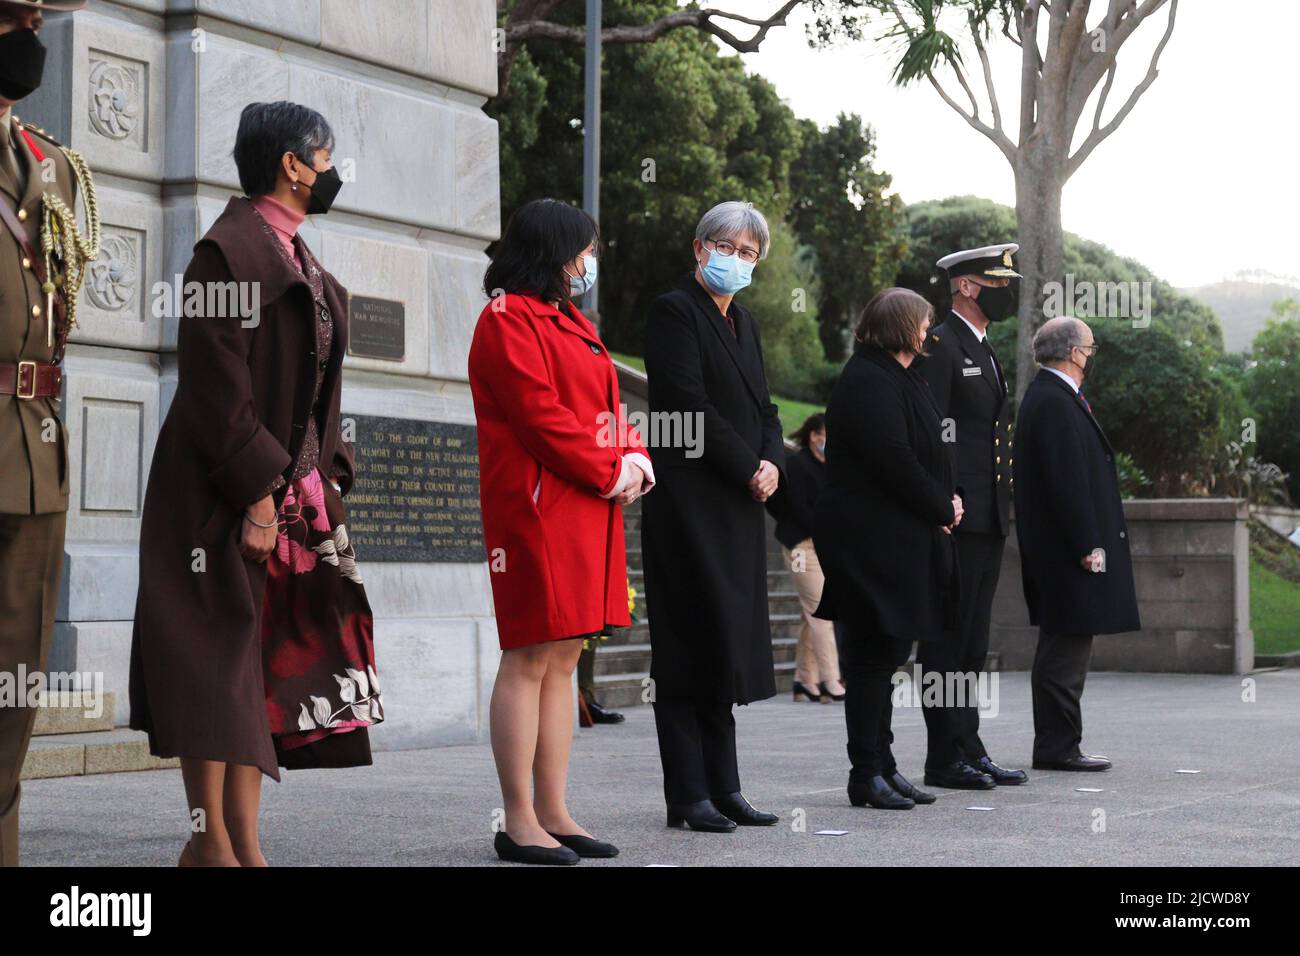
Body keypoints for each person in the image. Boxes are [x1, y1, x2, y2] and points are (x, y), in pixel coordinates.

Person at [130, 101, 380, 867]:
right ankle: (213, 846)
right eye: (326, 155)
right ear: (291, 164)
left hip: (288, 500)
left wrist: (323, 479)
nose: (334, 170)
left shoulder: (304, 262)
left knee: (256, 676)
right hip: (215, 501)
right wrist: (260, 495)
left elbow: (314, 399)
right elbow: (215, 391)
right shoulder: (225, 253)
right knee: (211, 673)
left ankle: (242, 845)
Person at [469, 198, 654, 865]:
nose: (589, 262)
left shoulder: (567, 318)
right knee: (529, 656)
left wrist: (634, 455)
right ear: (554, 251)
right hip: (538, 508)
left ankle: (554, 809)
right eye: (583, 250)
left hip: (582, 504)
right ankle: (519, 819)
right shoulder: (506, 318)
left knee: (565, 656)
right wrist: (612, 466)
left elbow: (605, 403)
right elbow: (539, 417)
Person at [641, 201, 785, 833]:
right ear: (700, 248)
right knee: (687, 647)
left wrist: (773, 462)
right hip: (690, 503)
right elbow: (688, 406)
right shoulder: (674, 311)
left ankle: (725, 788)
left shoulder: (745, 323)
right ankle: (688, 794)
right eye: (728, 247)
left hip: (737, 506)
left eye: (750, 253)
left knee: (724, 646)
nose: (738, 260)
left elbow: (767, 408)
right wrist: (746, 465)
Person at [0, 0, 95, 868]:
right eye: (7, 19)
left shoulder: (50, 164)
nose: (26, 39)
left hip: (32, 450)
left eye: (31, 18)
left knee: (17, 677)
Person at [813, 288, 961, 810]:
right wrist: (942, 505)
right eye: (923, 322)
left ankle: (885, 766)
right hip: (868, 543)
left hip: (897, 538)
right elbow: (892, 457)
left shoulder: (900, 375)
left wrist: (945, 497)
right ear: (901, 326)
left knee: (889, 654)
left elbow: (922, 451)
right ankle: (865, 774)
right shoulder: (868, 378)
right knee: (874, 657)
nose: (929, 332)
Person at [916, 244, 1027, 790]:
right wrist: (944, 499)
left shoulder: (982, 346)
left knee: (972, 639)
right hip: (957, 514)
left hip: (986, 515)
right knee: (947, 637)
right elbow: (933, 430)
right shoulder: (940, 343)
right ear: (965, 285)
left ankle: (969, 743)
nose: (1005, 292)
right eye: (996, 283)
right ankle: (943, 755)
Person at [1013, 317, 1140, 771]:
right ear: (1072, 352)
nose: (1092, 354)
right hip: (1067, 552)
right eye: (1089, 346)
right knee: (1064, 648)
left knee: (1067, 644)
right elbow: (1066, 482)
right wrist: (1088, 543)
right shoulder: (1052, 401)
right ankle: (1057, 746)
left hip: (1062, 549)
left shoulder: (1054, 397)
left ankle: (1061, 743)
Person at [772, 413, 844, 703]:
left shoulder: (835, 468)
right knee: (821, 612)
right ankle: (830, 680)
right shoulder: (798, 464)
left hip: (826, 547)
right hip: (801, 547)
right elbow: (799, 508)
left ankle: (804, 679)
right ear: (815, 436)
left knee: (810, 612)